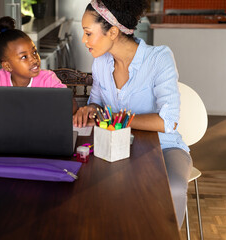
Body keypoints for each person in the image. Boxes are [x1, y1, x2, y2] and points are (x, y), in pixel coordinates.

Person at [73, 0, 192, 227]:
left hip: (164, 147)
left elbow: (168, 122)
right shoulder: (100, 62)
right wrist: (91, 108)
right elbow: (97, 103)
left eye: (88, 33)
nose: (83, 40)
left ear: (113, 32)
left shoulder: (159, 59)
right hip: (114, 146)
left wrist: (117, 119)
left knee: (174, 188)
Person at [0, 16, 77, 113]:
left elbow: (71, 106)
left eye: (34, 52)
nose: (34, 59)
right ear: (7, 66)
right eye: (24, 57)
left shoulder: (47, 79)